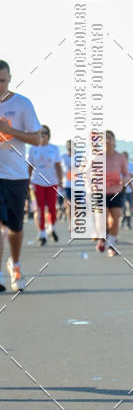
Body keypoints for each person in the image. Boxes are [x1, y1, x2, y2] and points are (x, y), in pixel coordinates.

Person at [0, 59, 42, 292]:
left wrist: (10, 131)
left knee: (15, 227)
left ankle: (15, 264)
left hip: (15, 175)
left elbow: (36, 138)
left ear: (10, 79)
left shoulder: (23, 104)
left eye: (2, 81)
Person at [27, 125, 63, 245]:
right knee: (40, 208)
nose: (43, 135)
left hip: (52, 182)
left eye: (45, 133)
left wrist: (61, 181)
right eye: (41, 133)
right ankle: (41, 233)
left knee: (52, 208)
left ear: (49, 135)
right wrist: (27, 182)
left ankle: (51, 228)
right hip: (37, 182)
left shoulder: (54, 149)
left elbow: (58, 166)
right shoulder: (32, 149)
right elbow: (30, 167)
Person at [98, 130, 129, 257]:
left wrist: (124, 180)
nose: (107, 140)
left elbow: (126, 174)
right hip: (100, 192)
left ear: (114, 141)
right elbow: (87, 174)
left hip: (116, 191)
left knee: (115, 220)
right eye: (104, 138)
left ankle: (111, 245)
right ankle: (102, 237)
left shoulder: (120, 157)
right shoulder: (97, 157)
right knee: (103, 219)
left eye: (109, 138)